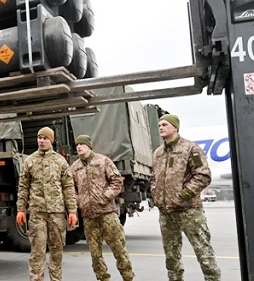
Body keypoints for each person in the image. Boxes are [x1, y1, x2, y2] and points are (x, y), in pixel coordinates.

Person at [151, 114, 221, 281]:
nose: (161, 127)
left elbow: (203, 175)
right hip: (167, 213)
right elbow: (154, 177)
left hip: (189, 211)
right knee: (171, 257)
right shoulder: (158, 153)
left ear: (175, 127)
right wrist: (156, 194)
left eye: (165, 124)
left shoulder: (190, 148)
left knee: (204, 252)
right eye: (159, 125)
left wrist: (184, 194)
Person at [70, 134, 135, 281]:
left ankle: (128, 277)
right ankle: (102, 278)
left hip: (107, 214)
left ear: (89, 146)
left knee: (119, 249)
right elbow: (69, 188)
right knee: (95, 254)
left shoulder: (103, 161)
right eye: (77, 145)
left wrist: (105, 196)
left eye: (82, 144)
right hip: (88, 217)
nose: (79, 147)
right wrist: (78, 200)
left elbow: (117, 181)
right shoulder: (75, 167)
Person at [16, 127, 78, 281]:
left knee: (57, 252)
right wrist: (21, 209)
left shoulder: (60, 161)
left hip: (56, 214)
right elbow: (23, 187)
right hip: (37, 214)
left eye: (45, 138)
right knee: (37, 252)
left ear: (51, 140)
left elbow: (68, 187)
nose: (41, 141)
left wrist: (72, 211)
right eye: (39, 137)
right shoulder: (29, 161)